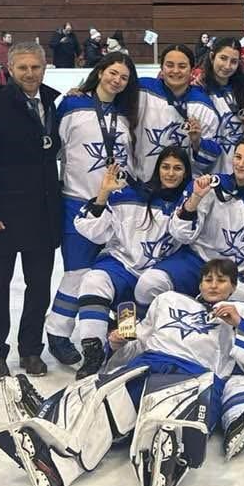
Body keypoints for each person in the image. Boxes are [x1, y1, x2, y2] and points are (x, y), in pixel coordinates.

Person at [0, 259, 244, 486]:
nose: (213, 285)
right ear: (199, 284)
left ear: (234, 287)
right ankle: (51, 459)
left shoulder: (242, 312)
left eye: (221, 281)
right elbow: (135, 347)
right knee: (101, 400)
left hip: (197, 375)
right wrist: (118, 343)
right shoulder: (167, 301)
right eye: (208, 279)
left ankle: (167, 460)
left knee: (168, 414)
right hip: (149, 363)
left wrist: (239, 325)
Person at [0, 42, 62, 380]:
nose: (30, 74)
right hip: (1, 217)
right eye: (22, 68)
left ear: (44, 67)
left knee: (39, 287)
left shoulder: (52, 102)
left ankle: (31, 350)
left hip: (42, 215)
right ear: (9, 69)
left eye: (35, 67)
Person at [45, 52, 139, 367]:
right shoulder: (71, 105)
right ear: (100, 72)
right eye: (113, 73)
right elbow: (50, 149)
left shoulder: (126, 114)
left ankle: (116, 332)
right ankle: (57, 333)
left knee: (122, 271)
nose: (117, 80)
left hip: (119, 207)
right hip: (78, 203)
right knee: (78, 273)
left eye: (124, 77)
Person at [135, 137, 244, 309]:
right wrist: (195, 197)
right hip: (196, 262)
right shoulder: (210, 185)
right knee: (148, 284)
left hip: (235, 276)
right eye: (237, 157)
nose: (241, 164)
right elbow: (180, 233)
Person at [72, 149, 191, 378]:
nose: (170, 173)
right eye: (166, 167)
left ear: (186, 172)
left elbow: (189, 236)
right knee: (93, 280)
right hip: (121, 266)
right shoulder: (127, 194)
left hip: (156, 274)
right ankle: (93, 353)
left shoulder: (188, 202)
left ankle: (120, 353)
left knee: (127, 338)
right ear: (157, 169)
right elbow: (91, 231)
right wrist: (103, 194)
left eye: (177, 168)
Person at [133, 44, 221, 182]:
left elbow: (209, 160)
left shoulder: (203, 105)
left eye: (182, 66)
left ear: (192, 70)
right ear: (161, 68)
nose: (175, 71)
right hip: (143, 184)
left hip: (184, 191)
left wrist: (197, 142)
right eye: (169, 65)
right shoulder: (142, 90)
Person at [200, 36, 244, 173]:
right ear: (212, 57)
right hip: (209, 172)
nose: (227, 66)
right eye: (223, 58)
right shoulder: (199, 90)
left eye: (233, 61)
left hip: (241, 171)